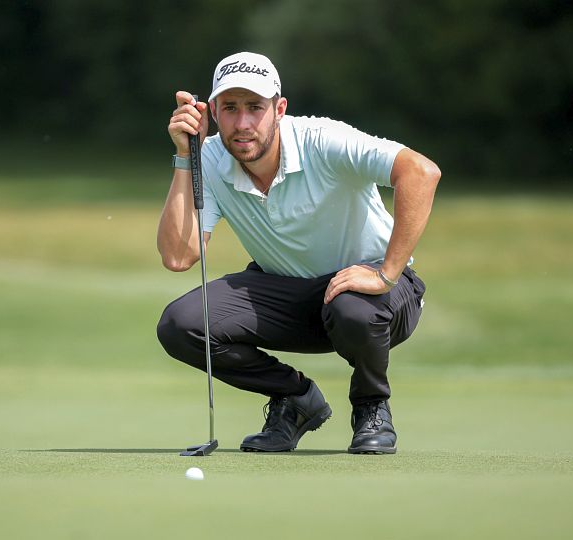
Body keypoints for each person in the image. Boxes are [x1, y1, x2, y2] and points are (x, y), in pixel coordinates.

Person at [156, 52, 440, 454]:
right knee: (181, 324)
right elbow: (178, 257)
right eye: (230, 109)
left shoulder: (322, 139)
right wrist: (186, 157)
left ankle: (371, 407)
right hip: (284, 294)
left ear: (279, 109)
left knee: (353, 309)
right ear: (213, 113)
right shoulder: (211, 156)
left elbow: (420, 172)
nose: (243, 124)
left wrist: (386, 273)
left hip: (376, 297)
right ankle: (295, 398)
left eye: (255, 108)